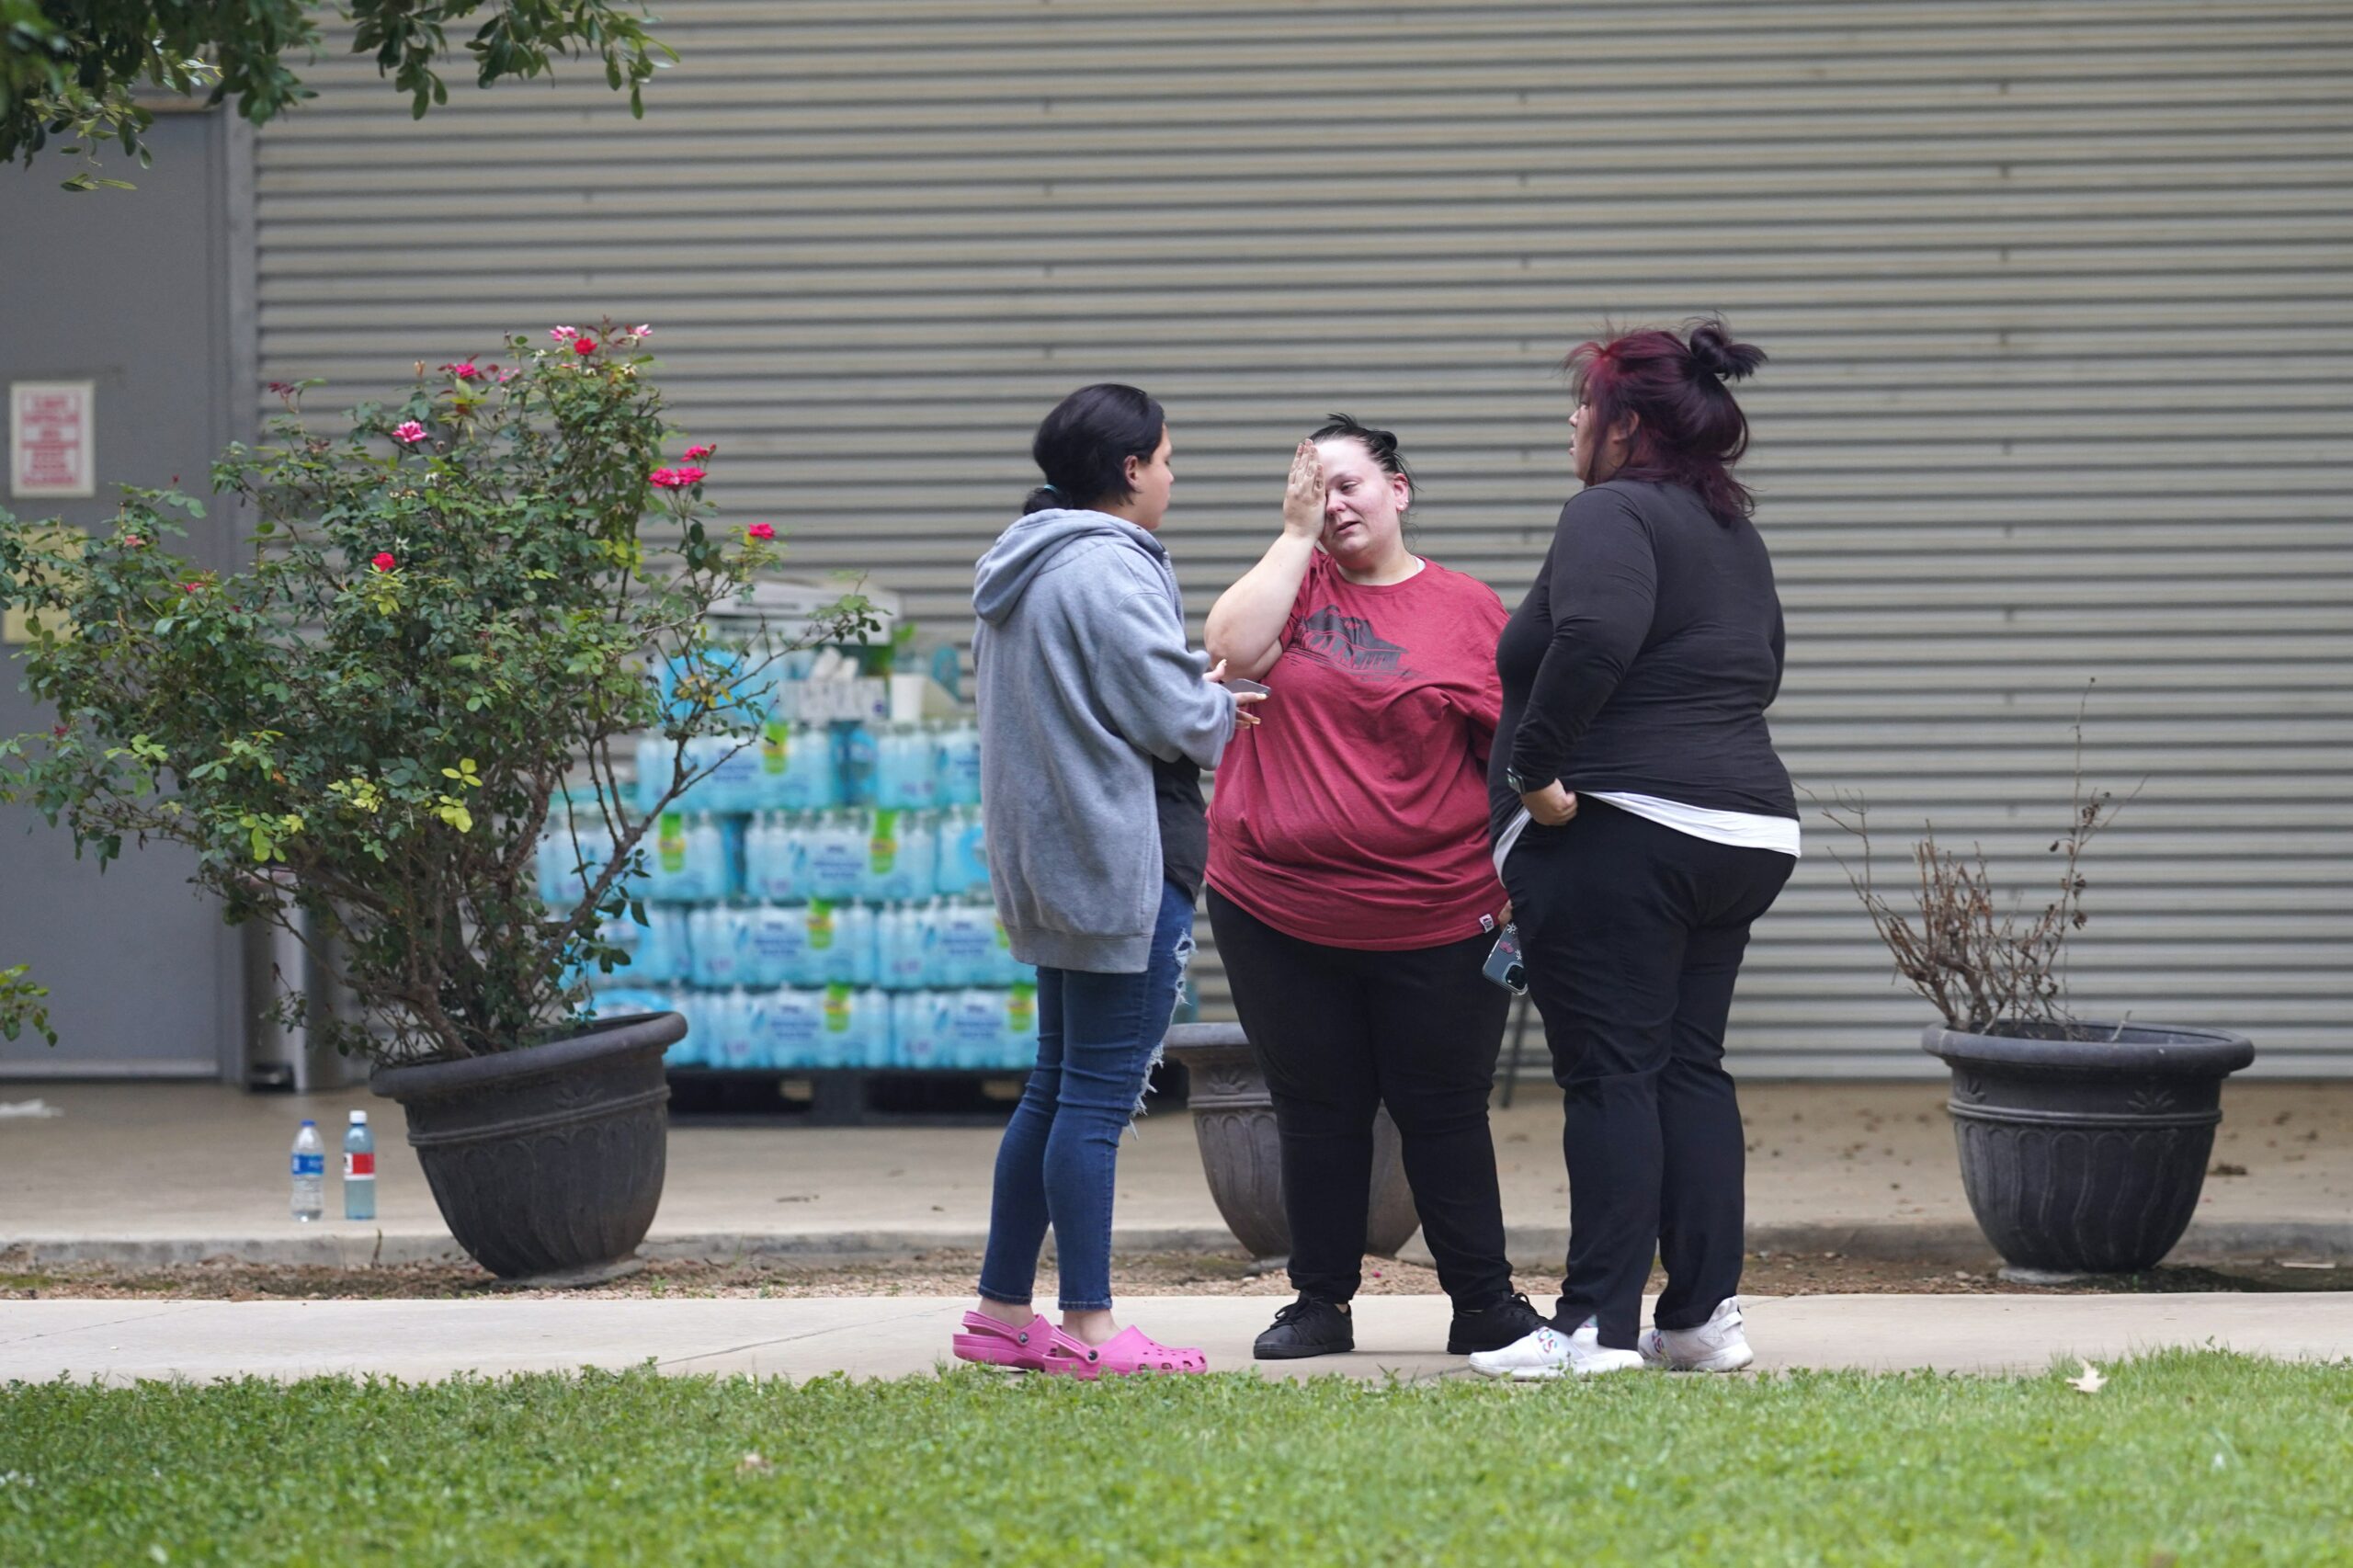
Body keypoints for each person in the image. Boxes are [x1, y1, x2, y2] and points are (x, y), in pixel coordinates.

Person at [1469, 320, 1799, 1381]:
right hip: (1741, 830)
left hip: (1620, 831)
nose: (1572, 421)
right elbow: (1763, 667)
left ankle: (1594, 1329)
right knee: (1683, 1070)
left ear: (1627, 426)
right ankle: (1699, 1317)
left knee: (1611, 1073)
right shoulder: (1728, 531)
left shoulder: (1608, 512)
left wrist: (1534, 768)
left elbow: (1596, 636)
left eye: (1585, 405)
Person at [1201, 415, 1543, 1361]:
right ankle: (1319, 1301)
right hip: (1274, 907)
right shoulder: (1290, 586)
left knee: (1443, 1108)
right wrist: (1295, 534)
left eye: (1349, 482)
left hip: (1436, 913)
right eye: (1313, 483)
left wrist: (1521, 879)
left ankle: (1484, 1300)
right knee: (1315, 1106)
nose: (1333, 499)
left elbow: (1519, 756)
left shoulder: (1470, 611)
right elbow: (1226, 649)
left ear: (1400, 490)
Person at [953, 383, 1263, 1379]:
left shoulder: (1020, 562)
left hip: (1050, 863)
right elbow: (1168, 715)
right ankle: (1088, 1326)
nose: (1173, 477)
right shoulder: (1108, 567)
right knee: (1094, 1099)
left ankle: (1002, 1311)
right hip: (1117, 861)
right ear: (1128, 470)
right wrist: (1213, 701)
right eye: (1167, 459)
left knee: (1052, 1088)